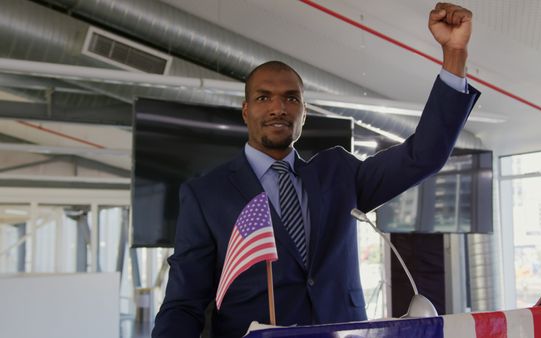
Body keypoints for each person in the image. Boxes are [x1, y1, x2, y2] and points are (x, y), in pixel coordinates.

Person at [153, 3, 479, 338]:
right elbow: (184, 303)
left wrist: (454, 56)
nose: (279, 107)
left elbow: (423, 156)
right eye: (264, 98)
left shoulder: (339, 173)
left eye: (291, 99)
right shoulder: (206, 194)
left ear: (304, 113)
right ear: (246, 110)